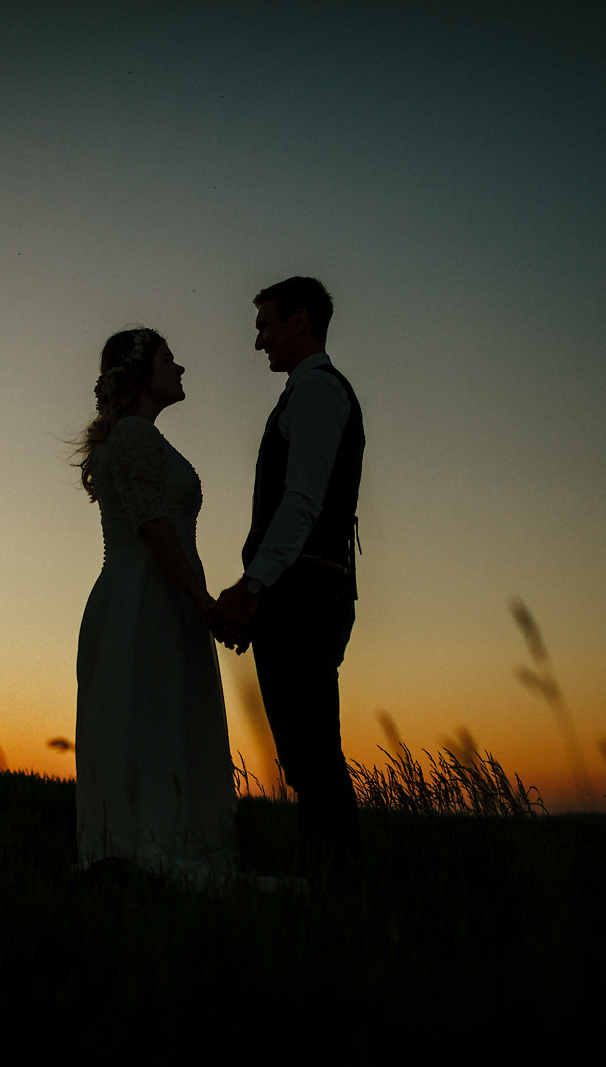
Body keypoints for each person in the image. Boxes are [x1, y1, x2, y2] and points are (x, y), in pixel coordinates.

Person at [72, 326, 238, 885]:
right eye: (171, 359)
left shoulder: (143, 436)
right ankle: (144, 851)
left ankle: (162, 842)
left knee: (166, 720)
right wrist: (200, 599)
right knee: (146, 718)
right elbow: (151, 524)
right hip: (144, 598)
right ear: (143, 373)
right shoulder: (136, 436)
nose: (181, 368)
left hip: (155, 592)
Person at [208, 277, 364, 863]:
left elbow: (302, 502)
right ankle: (326, 883)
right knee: (303, 755)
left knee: (313, 751)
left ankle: (341, 889)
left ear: (300, 321)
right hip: (300, 593)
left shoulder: (318, 392)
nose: (258, 342)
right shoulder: (304, 392)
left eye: (264, 326)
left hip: (305, 596)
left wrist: (253, 588)